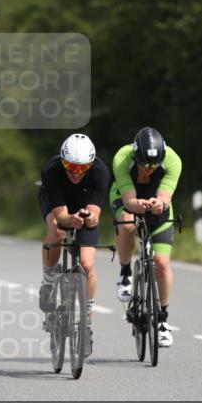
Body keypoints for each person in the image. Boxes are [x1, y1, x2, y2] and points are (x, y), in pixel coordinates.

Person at [37, 134, 110, 356]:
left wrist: (91, 219)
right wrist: (71, 220)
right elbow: (61, 216)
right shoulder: (51, 171)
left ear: (91, 164)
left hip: (84, 205)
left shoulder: (100, 172)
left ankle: (86, 321)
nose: (76, 173)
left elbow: (95, 210)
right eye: (70, 166)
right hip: (57, 204)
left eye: (82, 168)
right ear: (62, 161)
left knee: (87, 265)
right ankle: (49, 281)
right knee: (57, 231)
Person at [110, 127, 183, 347]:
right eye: (144, 164)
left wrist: (159, 203)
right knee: (128, 221)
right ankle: (125, 273)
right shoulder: (122, 158)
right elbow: (129, 199)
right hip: (126, 197)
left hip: (156, 203)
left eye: (154, 165)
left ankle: (162, 320)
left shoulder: (173, 160)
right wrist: (134, 205)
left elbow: (165, 197)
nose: (149, 169)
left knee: (161, 262)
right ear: (135, 156)